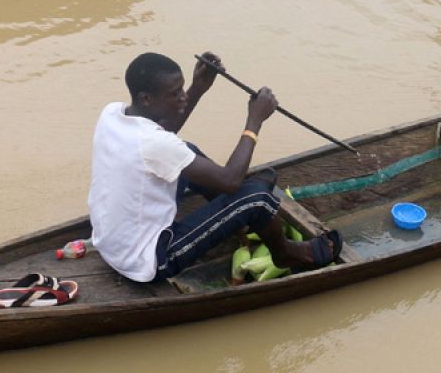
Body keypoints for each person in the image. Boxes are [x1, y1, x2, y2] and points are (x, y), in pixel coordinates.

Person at [88, 51, 341, 283]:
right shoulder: (153, 143)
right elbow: (229, 180)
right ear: (145, 98)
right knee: (257, 198)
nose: (183, 96)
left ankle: (237, 217)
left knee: (188, 151)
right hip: (146, 260)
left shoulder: (112, 113)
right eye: (175, 94)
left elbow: (166, 133)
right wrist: (255, 120)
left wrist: (199, 87)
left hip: (110, 243)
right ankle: (286, 253)